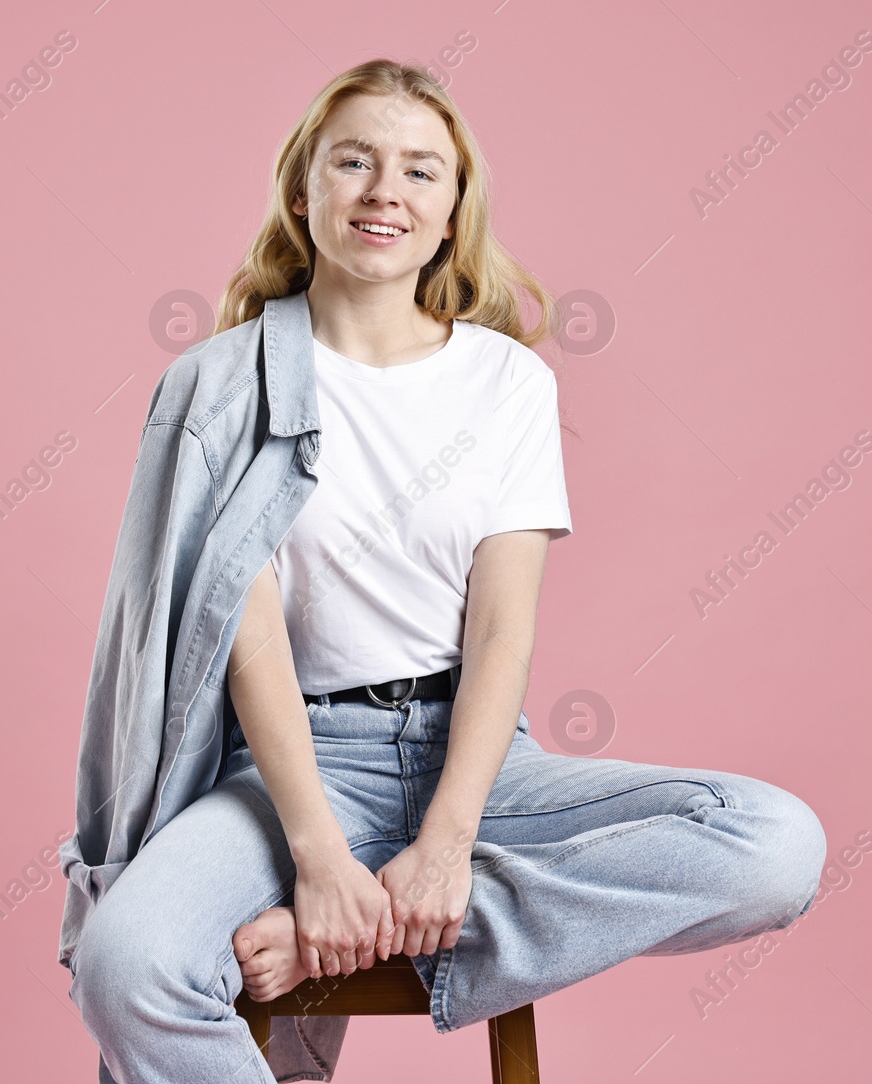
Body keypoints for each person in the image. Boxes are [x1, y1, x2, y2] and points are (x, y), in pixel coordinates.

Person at [61, 59, 828, 1084]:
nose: (386, 190)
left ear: (453, 209)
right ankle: (364, 904)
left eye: (422, 171)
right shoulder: (217, 384)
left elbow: (500, 634)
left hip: (472, 759)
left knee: (773, 843)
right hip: (291, 766)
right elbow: (243, 646)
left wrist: (445, 845)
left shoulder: (506, 381)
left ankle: (383, 927)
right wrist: (323, 858)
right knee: (127, 965)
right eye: (354, 162)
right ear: (303, 192)